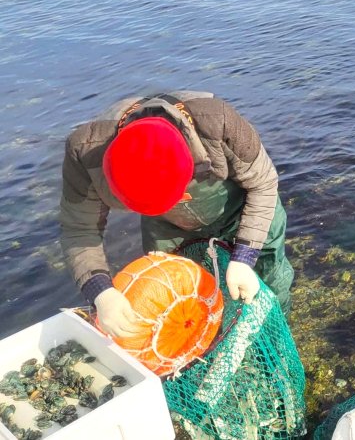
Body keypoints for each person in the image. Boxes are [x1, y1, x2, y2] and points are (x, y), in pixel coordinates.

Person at [60, 91, 294, 338]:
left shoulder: (217, 121)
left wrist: (244, 256)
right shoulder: (84, 152)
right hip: (166, 228)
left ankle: (277, 332)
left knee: (270, 276)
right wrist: (101, 292)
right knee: (177, 294)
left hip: (241, 206)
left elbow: (263, 183)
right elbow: (79, 229)